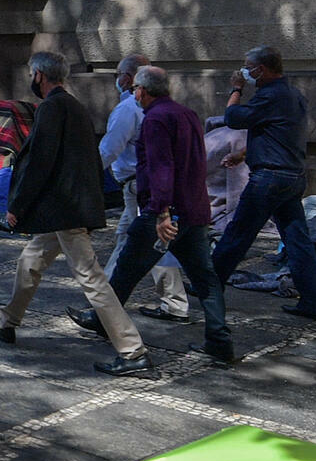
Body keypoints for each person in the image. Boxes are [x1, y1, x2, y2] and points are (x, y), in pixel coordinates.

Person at [0, 52, 149, 375]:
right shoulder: (73, 106)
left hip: (65, 211)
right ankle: (6, 322)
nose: (31, 78)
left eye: (32, 72)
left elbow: (40, 163)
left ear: (40, 75)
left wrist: (17, 206)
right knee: (29, 262)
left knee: (91, 277)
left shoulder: (53, 108)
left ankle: (132, 349)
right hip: (65, 209)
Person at [89, 66, 235, 366]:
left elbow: (161, 168)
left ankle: (106, 324)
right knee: (205, 279)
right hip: (194, 210)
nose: (133, 94)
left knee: (126, 271)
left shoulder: (155, 119)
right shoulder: (187, 114)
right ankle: (220, 342)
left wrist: (162, 213)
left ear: (142, 91)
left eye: (135, 90)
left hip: (166, 214)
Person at [212, 45, 316, 320]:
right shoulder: (292, 94)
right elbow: (278, 135)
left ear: (259, 69)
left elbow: (233, 118)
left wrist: (236, 89)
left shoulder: (271, 96)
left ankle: (208, 285)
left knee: (237, 234)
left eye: (246, 65)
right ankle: (313, 301)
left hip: (270, 178)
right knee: (297, 240)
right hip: (292, 176)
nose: (243, 70)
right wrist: (243, 154)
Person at [99, 53, 190, 322]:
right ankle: (106, 299)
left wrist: (83, 174)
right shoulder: (174, 110)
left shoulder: (129, 110)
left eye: (119, 75)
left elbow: (109, 149)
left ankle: (107, 303)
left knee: (153, 242)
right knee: (132, 240)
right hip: (146, 187)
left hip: (140, 187)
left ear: (129, 80)